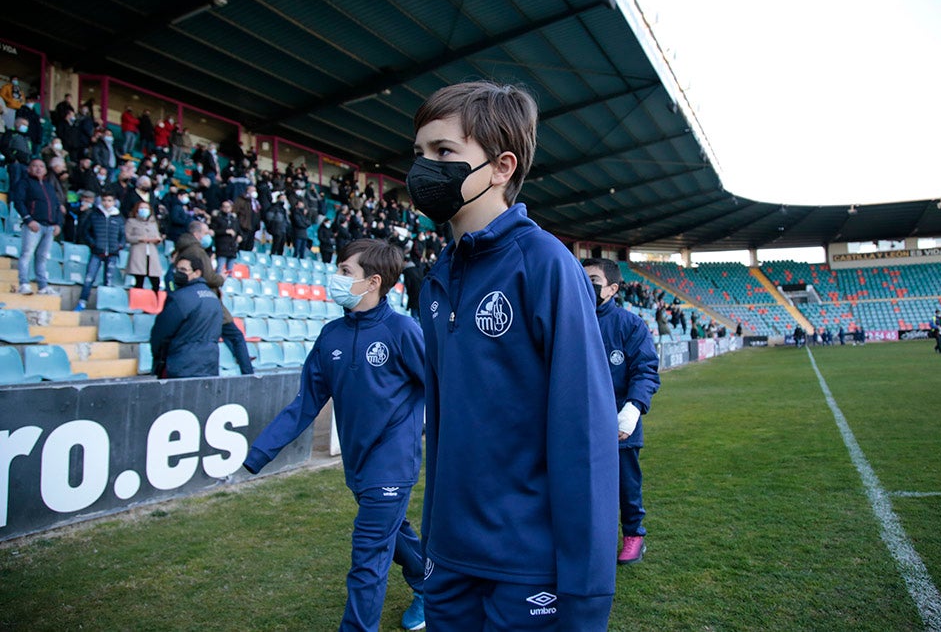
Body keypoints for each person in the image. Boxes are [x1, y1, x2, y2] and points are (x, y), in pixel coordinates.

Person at [408, 81, 618, 630]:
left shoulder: (545, 264)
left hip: (527, 566)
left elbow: (584, 436)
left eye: (444, 153)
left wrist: (586, 590)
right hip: (449, 560)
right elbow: (444, 427)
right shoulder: (435, 280)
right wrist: (432, 541)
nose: (424, 169)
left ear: (502, 167)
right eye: (419, 154)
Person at [243, 239, 426, 631]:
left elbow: (441, 388)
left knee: (367, 557)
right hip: (357, 465)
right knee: (394, 536)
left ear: (372, 282)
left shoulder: (403, 330)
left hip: (393, 464)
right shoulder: (330, 336)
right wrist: (258, 453)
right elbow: (305, 403)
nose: (336, 278)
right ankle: (430, 585)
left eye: (345, 271)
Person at [583, 258, 661, 565]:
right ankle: (588, 540)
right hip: (578, 422)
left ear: (612, 288)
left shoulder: (630, 325)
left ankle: (634, 536)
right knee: (582, 487)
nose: (586, 284)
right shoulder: (570, 318)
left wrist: (633, 408)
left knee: (626, 486)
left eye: (593, 279)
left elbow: (646, 370)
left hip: (619, 424)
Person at [174, 221, 253, 375]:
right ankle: (248, 373)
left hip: (194, 300)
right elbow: (209, 277)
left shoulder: (182, 251)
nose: (209, 235)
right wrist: (221, 278)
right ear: (197, 235)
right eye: (206, 232)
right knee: (235, 335)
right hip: (208, 300)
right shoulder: (197, 252)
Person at [149, 253, 222, 378]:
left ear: (197, 273)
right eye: (177, 269)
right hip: (208, 365)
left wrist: (158, 357)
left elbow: (160, 333)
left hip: (181, 365)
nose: (178, 273)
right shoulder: (213, 298)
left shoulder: (180, 298)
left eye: (183, 270)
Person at [11, 158, 62, 296]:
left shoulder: (49, 186)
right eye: (34, 166)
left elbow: (57, 206)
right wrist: (28, 220)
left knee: (42, 257)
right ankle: (24, 284)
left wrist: (58, 224)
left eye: (41, 166)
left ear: (45, 170)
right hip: (34, 225)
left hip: (49, 227)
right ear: (29, 169)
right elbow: (18, 202)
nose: (38, 168)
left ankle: (43, 286)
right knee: (27, 254)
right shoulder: (24, 183)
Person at [74, 192, 126, 311]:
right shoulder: (94, 215)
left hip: (112, 253)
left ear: (114, 202)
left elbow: (123, 235)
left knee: (109, 280)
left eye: (109, 200)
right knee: (89, 278)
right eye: (104, 200)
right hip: (96, 252)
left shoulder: (118, 218)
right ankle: (82, 302)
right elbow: (85, 231)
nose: (107, 203)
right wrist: (93, 244)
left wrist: (119, 246)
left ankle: (106, 305)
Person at [125, 201, 164, 291]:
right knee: (139, 280)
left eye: (146, 208)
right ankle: (138, 302)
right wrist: (139, 238)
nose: (144, 210)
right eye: (141, 208)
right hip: (138, 254)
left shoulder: (153, 223)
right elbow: (128, 237)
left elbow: (157, 236)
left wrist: (158, 240)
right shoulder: (131, 222)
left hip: (151, 253)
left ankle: (154, 301)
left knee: (155, 281)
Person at [211, 200, 242, 273]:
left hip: (232, 248)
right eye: (224, 207)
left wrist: (240, 236)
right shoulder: (217, 219)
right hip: (222, 248)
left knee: (230, 272)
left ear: (231, 208)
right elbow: (213, 231)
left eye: (228, 207)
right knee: (219, 270)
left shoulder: (234, 219)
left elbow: (239, 230)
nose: (226, 208)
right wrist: (225, 231)